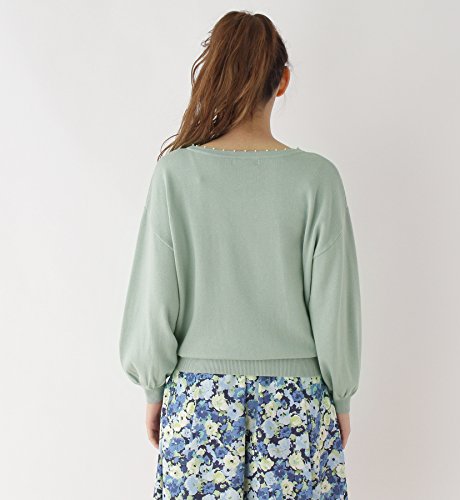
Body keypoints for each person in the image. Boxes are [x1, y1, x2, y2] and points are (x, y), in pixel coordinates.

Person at [119, 10, 362, 499]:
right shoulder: (317, 179)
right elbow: (334, 307)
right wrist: (340, 397)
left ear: (213, 75)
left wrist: (154, 390)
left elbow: (155, 300)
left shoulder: (176, 176)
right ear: (283, 80)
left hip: (198, 405)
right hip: (296, 406)